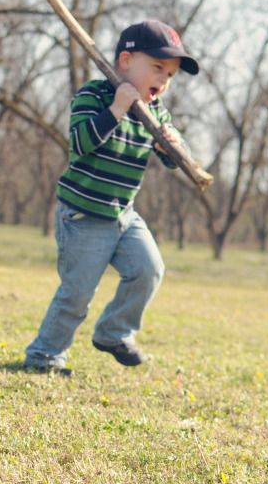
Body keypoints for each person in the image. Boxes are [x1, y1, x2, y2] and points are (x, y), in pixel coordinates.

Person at [23, 20, 200, 377]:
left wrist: (172, 145)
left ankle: (113, 333)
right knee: (77, 294)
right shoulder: (96, 95)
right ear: (124, 60)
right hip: (83, 215)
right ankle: (43, 357)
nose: (164, 81)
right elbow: (81, 143)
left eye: (170, 75)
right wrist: (117, 109)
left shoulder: (156, 112)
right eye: (157, 69)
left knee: (149, 270)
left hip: (124, 214)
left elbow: (172, 160)